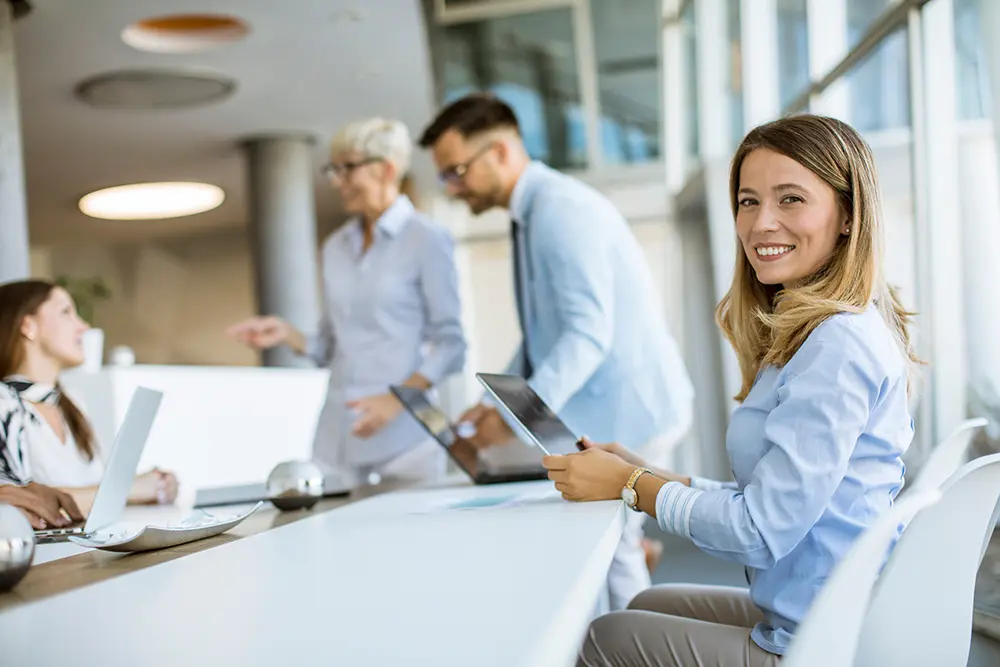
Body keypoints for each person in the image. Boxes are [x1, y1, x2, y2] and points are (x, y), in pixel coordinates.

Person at [543, 114, 920, 666]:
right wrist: (648, 473)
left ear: (846, 215)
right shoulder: (817, 329)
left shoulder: (838, 345)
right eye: (748, 201)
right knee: (646, 600)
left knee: (604, 638)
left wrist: (632, 485)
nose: (761, 223)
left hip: (822, 637)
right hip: (819, 603)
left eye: (790, 199)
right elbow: (774, 497)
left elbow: (760, 531)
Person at [418, 94, 695, 610]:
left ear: (500, 152)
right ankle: (630, 635)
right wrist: (499, 400)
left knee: (607, 545)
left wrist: (519, 416)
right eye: (446, 178)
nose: (453, 189)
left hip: (633, 409)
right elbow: (543, 332)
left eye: (456, 172)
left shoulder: (560, 211)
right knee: (616, 547)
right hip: (616, 406)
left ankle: (629, 641)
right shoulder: (533, 213)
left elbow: (587, 333)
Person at [227, 117, 466, 485]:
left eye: (347, 168)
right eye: (334, 169)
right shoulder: (335, 247)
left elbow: (452, 345)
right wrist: (288, 335)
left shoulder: (427, 240)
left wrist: (396, 400)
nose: (337, 181)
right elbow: (330, 346)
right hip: (337, 433)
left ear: (386, 169)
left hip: (407, 437)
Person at [0, 280, 179, 516]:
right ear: (28, 326)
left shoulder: (72, 403)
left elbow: (96, 492)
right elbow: (24, 504)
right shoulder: (6, 405)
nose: (83, 326)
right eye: (66, 312)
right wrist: (131, 488)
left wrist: (157, 485)